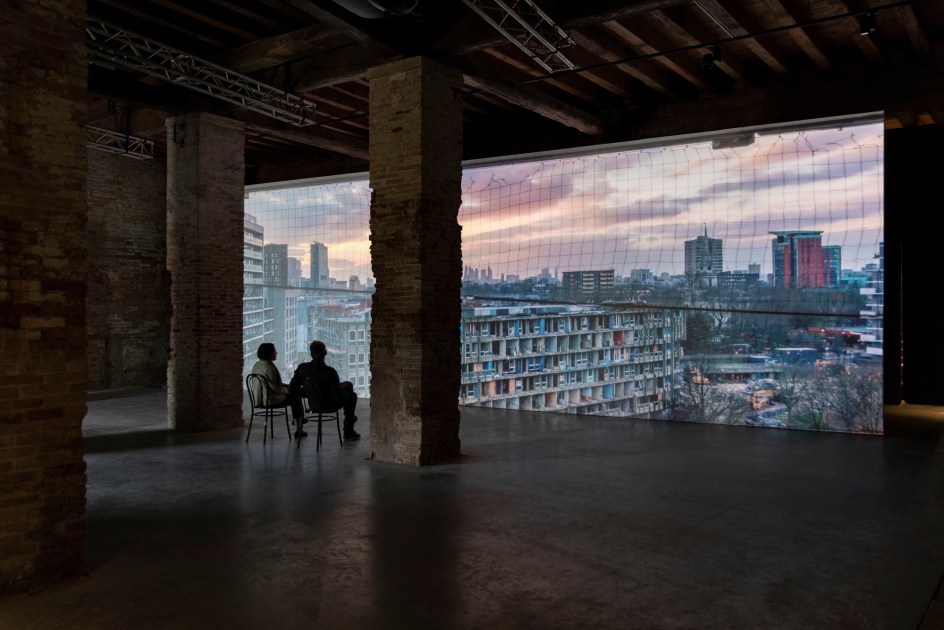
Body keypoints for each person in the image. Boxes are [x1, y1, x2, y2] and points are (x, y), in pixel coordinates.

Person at [290, 340, 360, 441]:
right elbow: (337, 396)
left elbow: (292, 388)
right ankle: (348, 430)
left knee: (347, 386)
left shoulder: (302, 369)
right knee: (351, 394)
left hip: (313, 405)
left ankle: (351, 419)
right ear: (325, 353)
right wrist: (344, 391)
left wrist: (310, 392)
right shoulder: (330, 372)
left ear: (311, 354)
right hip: (329, 405)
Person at [250, 342, 307, 438]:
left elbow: (271, 383)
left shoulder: (258, 364)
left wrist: (286, 386)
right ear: (270, 353)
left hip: (260, 397)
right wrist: (287, 390)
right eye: (274, 351)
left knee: (295, 393)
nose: (276, 353)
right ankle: (298, 427)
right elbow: (276, 388)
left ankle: (298, 418)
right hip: (269, 399)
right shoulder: (269, 367)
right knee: (295, 396)